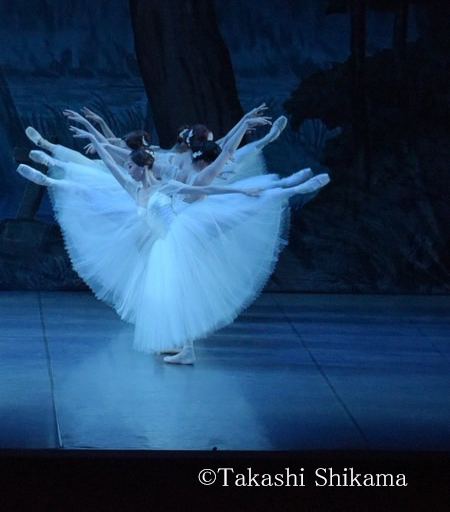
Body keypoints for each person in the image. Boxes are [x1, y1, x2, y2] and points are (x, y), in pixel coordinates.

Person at [20, 108, 327, 365]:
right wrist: (91, 134)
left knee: (187, 278)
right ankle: (49, 173)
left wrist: (239, 189)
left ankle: (294, 186)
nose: (127, 168)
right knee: (165, 293)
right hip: (163, 241)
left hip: (181, 233)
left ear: (142, 167)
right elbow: (110, 163)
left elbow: (208, 184)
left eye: (131, 166)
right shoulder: (136, 185)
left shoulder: (166, 182)